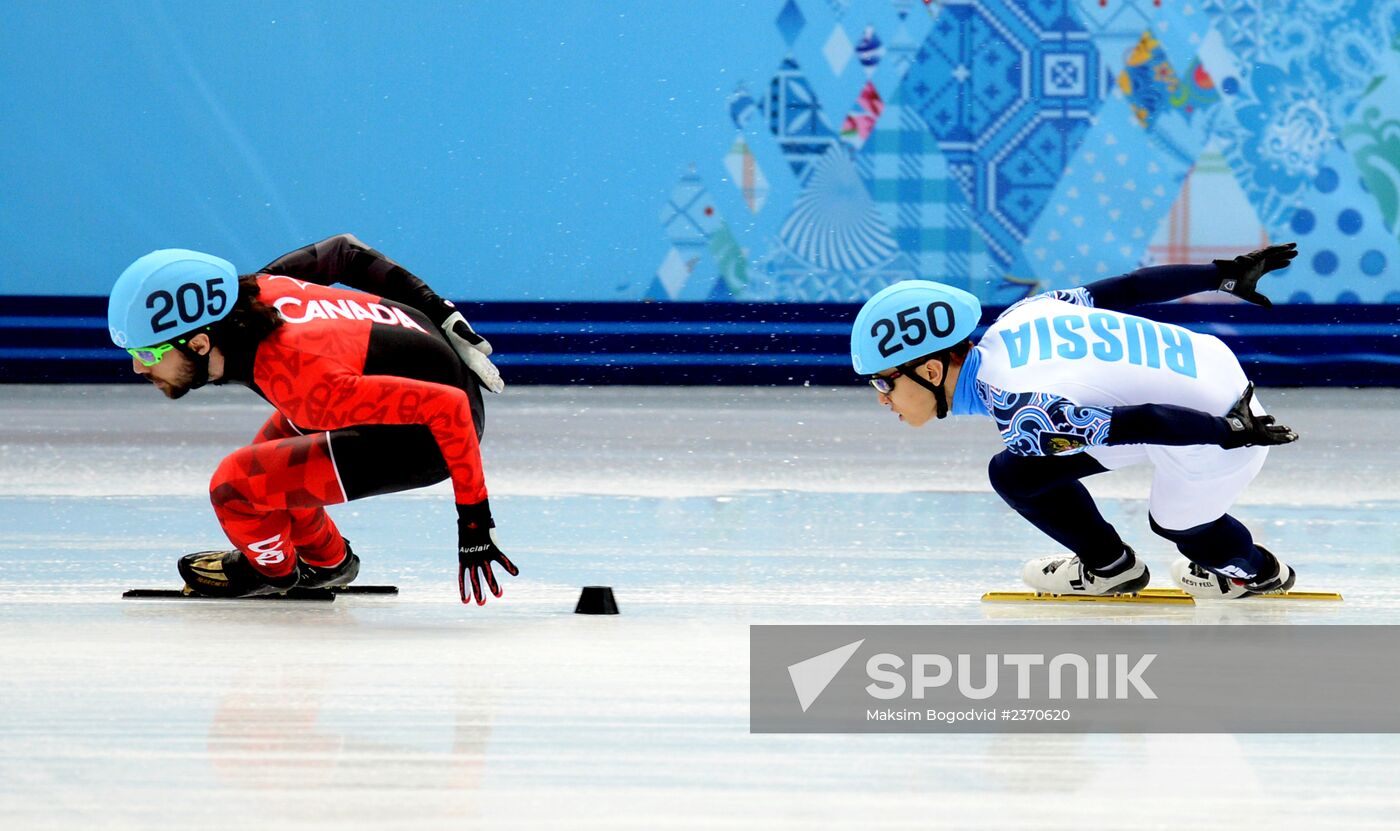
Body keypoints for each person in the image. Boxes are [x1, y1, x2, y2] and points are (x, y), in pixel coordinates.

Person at [850, 243, 1303, 599]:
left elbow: (1146, 422)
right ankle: (1111, 567)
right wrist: (1221, 275)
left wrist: (1233, 432)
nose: (883, 399)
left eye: (883, 384)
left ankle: (1256, 572)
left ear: (929, 371)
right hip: (1208, 377)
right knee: (1015, 472)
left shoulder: (1020, 411)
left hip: (1215, 428)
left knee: (1179, 527)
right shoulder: (1022, 314)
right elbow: (1128, 288)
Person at [107, 234, 517, 604]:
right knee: (271, 465)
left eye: (148, 354)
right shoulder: (257, 290)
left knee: (236, 489)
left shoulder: (304, 382)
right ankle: (329, 562)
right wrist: (438, 309)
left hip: (426, 436)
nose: (139, 370)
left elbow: (448, 409)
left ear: (198, 343)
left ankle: (272, 572)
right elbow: (343, 252)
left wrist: (474, 524)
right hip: (395, 372)